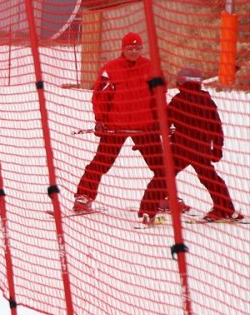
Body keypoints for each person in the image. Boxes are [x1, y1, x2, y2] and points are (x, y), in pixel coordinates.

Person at [73, 33, 164, 222]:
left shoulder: (150, 68)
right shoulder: (110, 69)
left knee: (160, 165)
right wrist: (100, 120)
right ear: (123, 48)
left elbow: (159, 95)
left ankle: (166, 198)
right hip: (116, 125)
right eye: (130, 48)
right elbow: (100, 96)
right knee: (101, 162)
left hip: (144, 125)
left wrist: (160, 119)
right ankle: (84, 196)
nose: (134, 52)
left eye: (137, 48)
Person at [167, 67, 242, 222]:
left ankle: (149, 208)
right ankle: (225, 208)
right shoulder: (207, 101)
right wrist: (217, 148)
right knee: (210, 178)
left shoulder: (177, 101)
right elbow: (216, 126)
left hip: (181, 149)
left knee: (163, 175)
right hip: (201, 149)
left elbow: (165, 122)